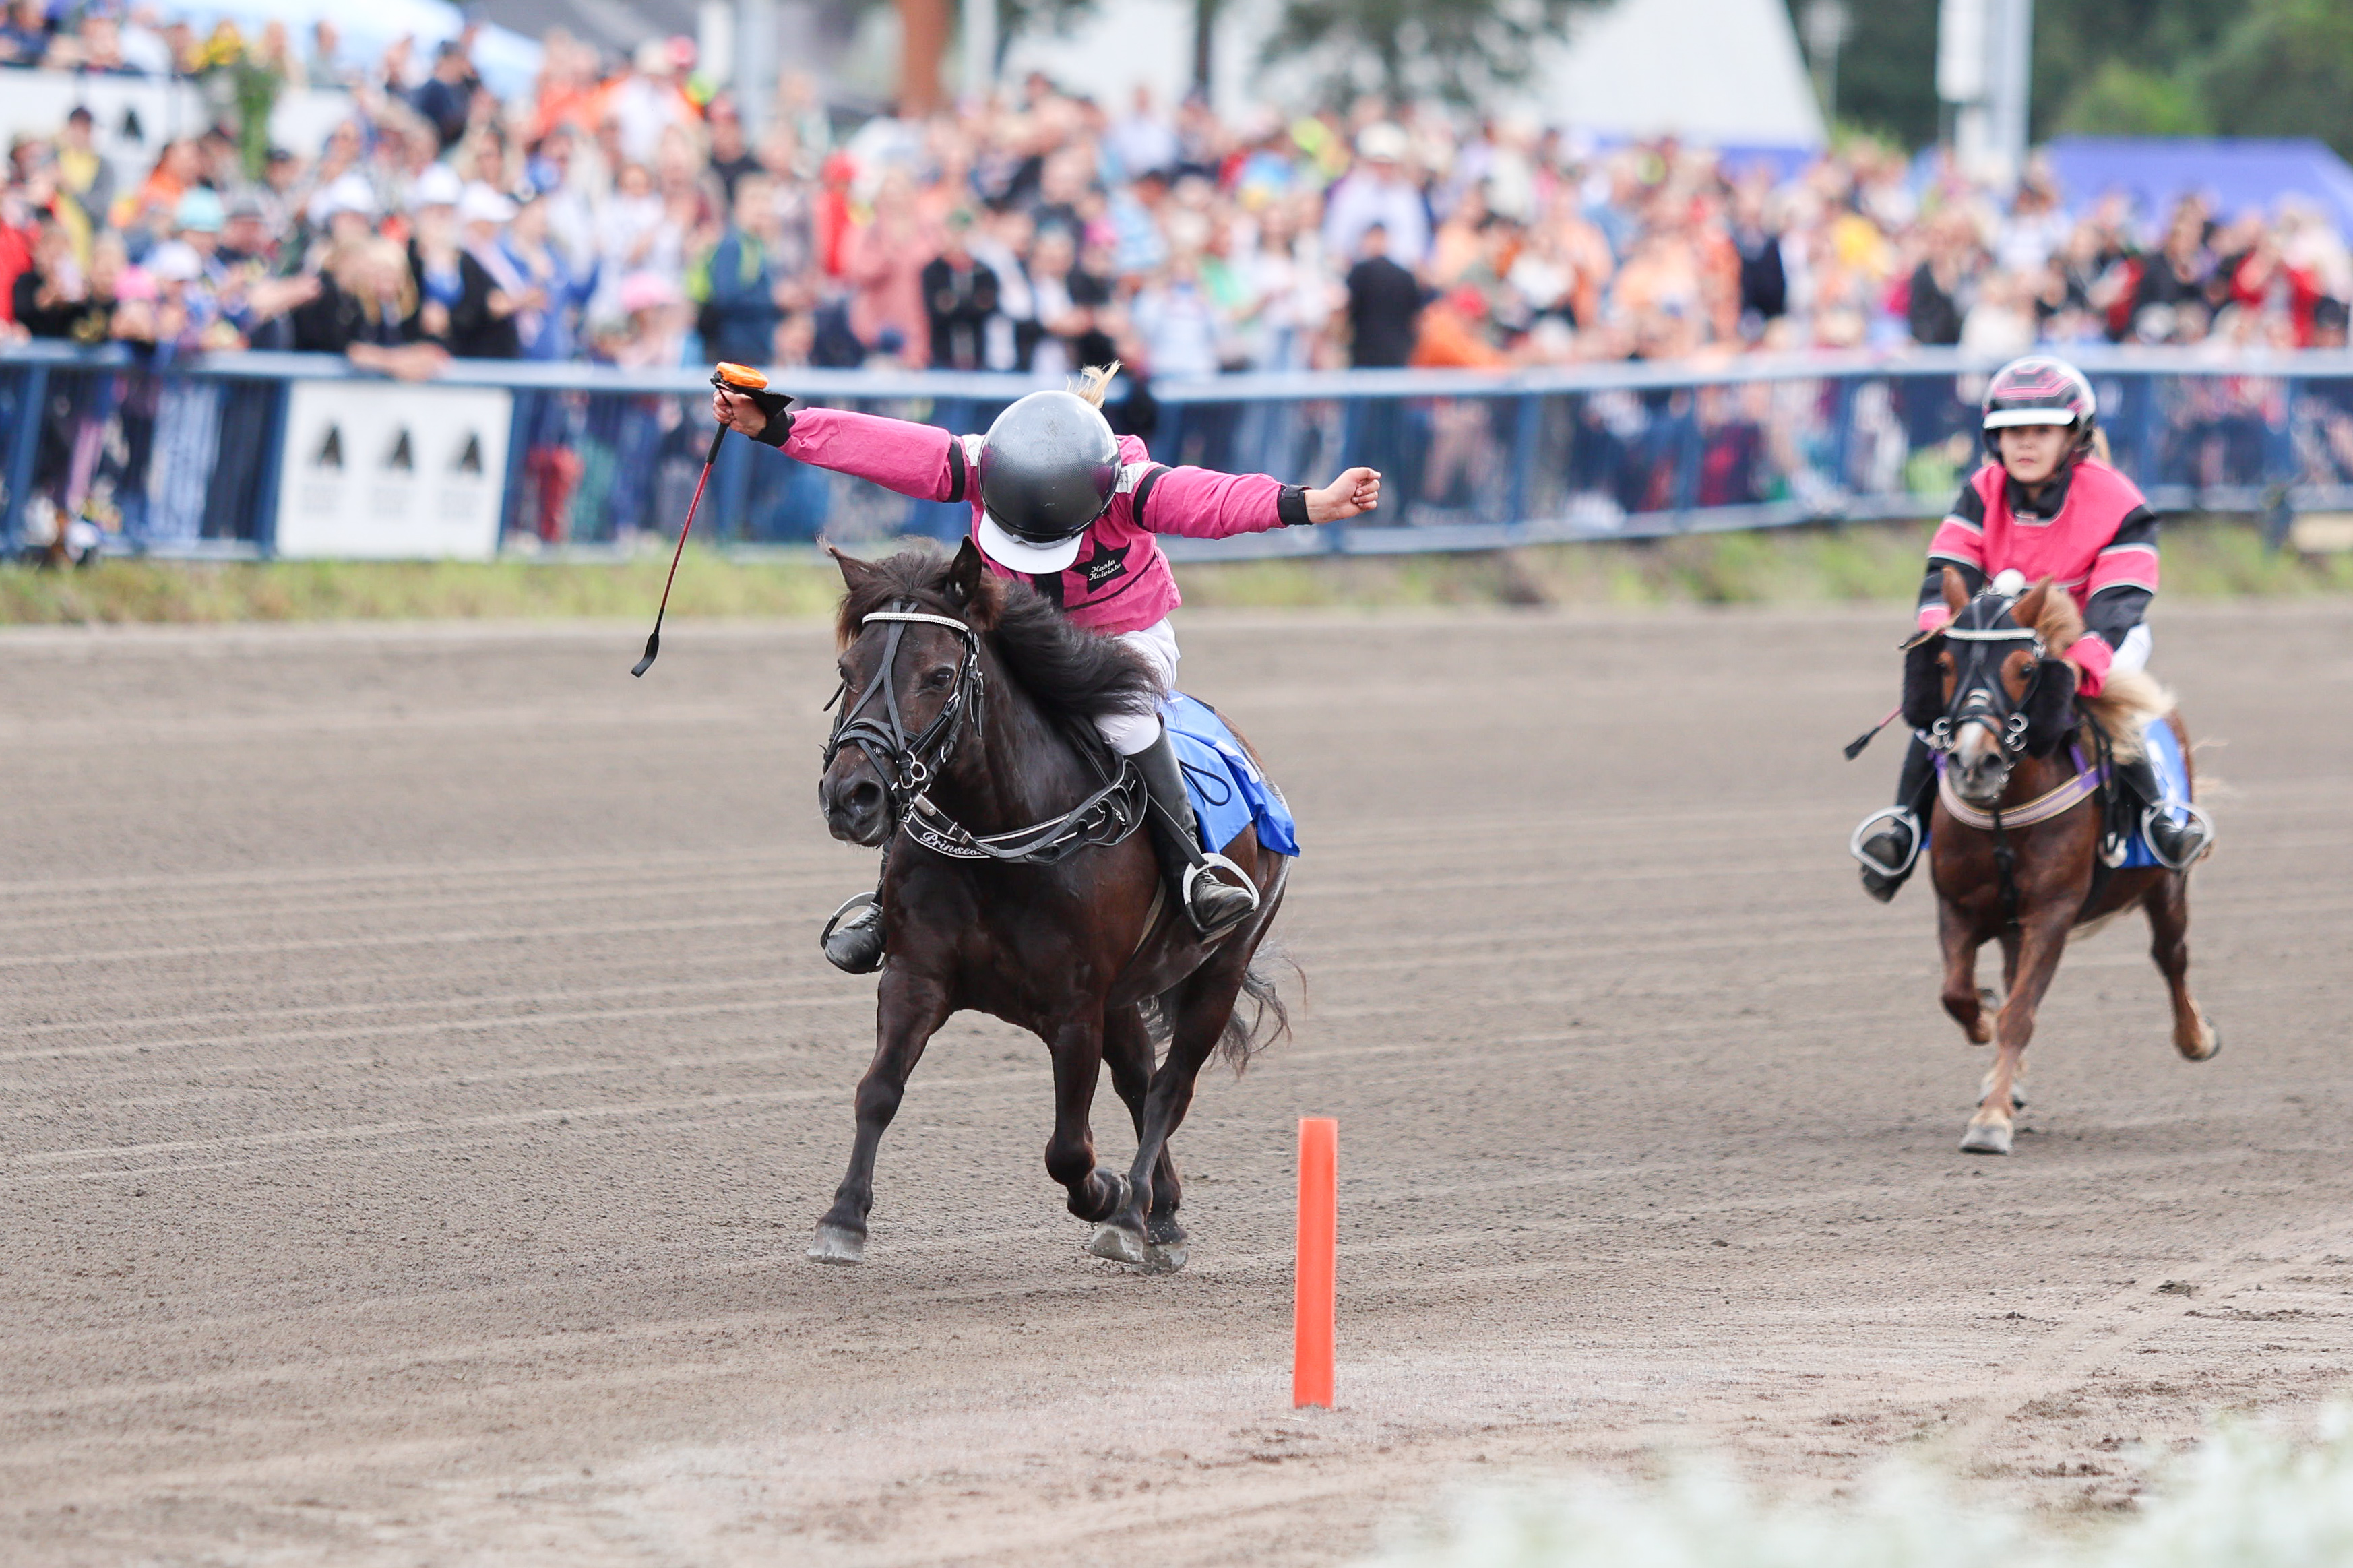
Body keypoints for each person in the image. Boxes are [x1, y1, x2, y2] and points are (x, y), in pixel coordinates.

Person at [712, 365, 1383, 972]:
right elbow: (878, 446)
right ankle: (889, 902)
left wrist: (1313, 503)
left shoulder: (1131, 486)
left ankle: (1192, 872)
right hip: (1015, 635)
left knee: (1119, 711)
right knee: (942, 716)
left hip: (1123, 638)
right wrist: (776, 425)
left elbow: (1214, 500)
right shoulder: (979, 464)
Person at [1850, 356, 2213, 901]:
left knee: (2122, 705)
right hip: (2003, 634)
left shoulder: (2120, 500)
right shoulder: (1981, 489)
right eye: (2012, 431)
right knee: (1943, 705)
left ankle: (2160, 815)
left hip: (2097, 630)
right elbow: (1947, 570)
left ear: (2075, 435)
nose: (2025, 443)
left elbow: (2121, 597)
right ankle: (1903, 824)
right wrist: (1938, 633)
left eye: (2042, 431)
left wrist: (2085, 659)